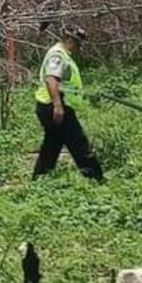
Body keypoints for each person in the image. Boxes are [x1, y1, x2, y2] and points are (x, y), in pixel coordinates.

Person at [32, 25, 104, 181]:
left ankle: (39, 179)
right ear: (69, 39)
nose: (78, 47)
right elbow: (51, 79)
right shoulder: (58, 55)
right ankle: (96, 178)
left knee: (52, 144)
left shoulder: (64, 55)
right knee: (78, 142)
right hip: (55, 106)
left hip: (51, 105)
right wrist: (58, 106)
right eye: (77, 43)